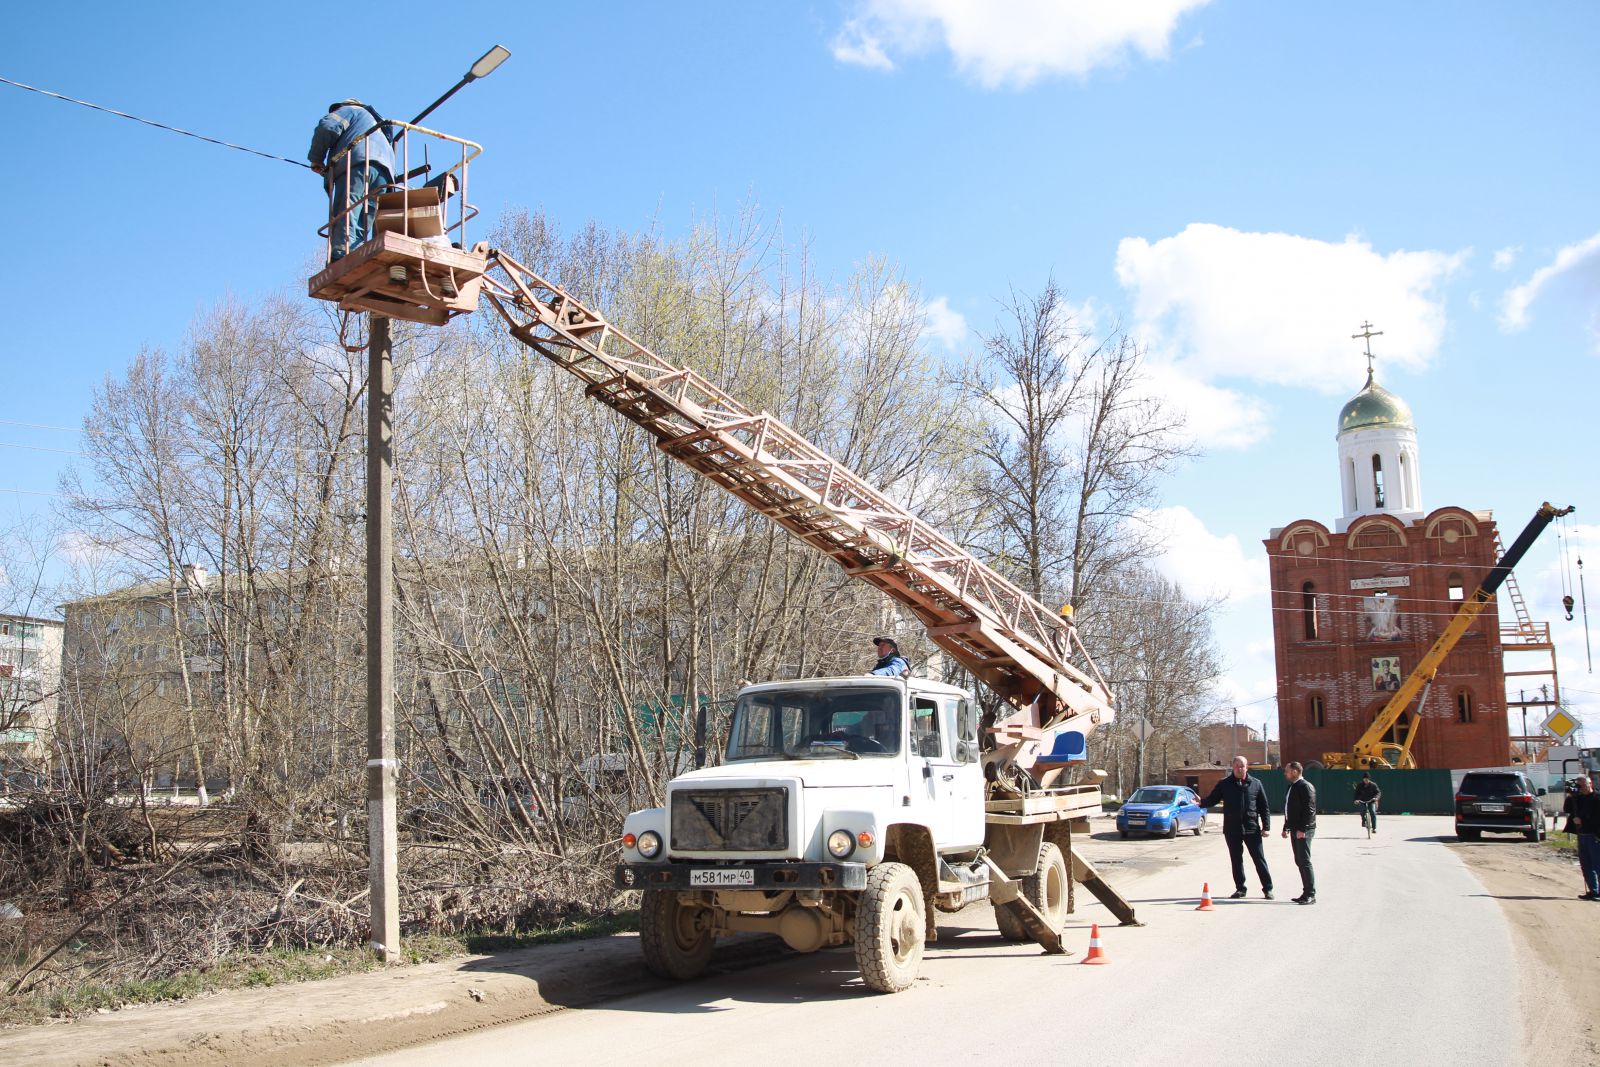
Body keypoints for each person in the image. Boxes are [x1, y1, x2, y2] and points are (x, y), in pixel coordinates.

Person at [308, 100, 396, 260]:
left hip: (358, 162)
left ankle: (341, 254)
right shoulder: (377, 126)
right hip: (385, 169)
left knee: (348, 207)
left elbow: (327, 126)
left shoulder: (350, 110)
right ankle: (357, 253)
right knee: (365, 215)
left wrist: (316, 159)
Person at [1196, 756, 1274, 899]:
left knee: (1259, 859)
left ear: (1247, 767)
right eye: (1237, 766)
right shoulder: (1224, 784)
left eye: (1242, 766)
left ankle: (1268, 889)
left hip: (1251, 828)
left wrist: (1266, 827)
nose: (1239, 768)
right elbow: (1213, 799)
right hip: (1232, 829)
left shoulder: (1256, 784)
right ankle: (1240, 888)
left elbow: (1264, 807)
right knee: (1236, 860)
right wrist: (1201, 802)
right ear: (1232, 767)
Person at [1282, 761, 1317, 904]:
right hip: (1295, 829)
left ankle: (1311, 894)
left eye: (1287, 771)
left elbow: (1310, 810)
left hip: (1304, 830)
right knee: (1299, 860)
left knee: (1304, 860)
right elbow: (1289, 809)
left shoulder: (1305, 786)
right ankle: (1305, 893)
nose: (1285, 773)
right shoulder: (1293, 787)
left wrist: (1303, 829)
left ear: (1295, 771)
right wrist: (1286, 827)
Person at [1565, 775, 1600, 901]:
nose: (1582, 788)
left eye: (1584, 785)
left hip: (1594, 835)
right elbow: (1567, 809)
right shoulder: (1578, 798)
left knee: (1597, 864)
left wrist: (1582, 820)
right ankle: (1593, 891)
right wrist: (1570, 796)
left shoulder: (1597, 798)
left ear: (1590, 784)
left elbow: (1597, 817)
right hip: (1582, 835)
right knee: (1586, 865)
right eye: (1580, 786)